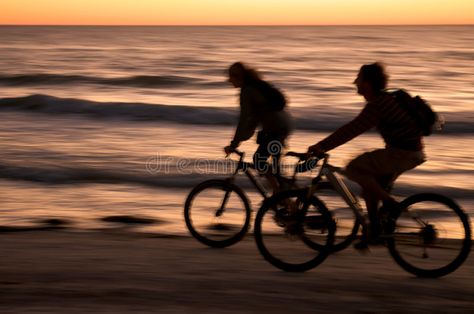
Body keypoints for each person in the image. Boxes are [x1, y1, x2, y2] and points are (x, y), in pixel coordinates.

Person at [307, 62, 425, 248]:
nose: (355, 82)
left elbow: (351, 129)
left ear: (368, 84)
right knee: (369, 189)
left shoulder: (378, 105)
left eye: (359, 79)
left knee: (354, 168)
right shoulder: (384, 100)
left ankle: (390, 203)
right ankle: (374, 232)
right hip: (410, 152)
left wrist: (321, 146)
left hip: (403, 153)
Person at [224, 62, 293, 191]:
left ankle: (281, 197)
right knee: (270, 167)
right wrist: (238, 141)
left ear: (238, 77)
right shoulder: (255, 86)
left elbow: (243, 120)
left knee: (259, 161)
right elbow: (253, 121)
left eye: (231, 77)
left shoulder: (247, 92)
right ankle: (281, 196)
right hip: (283, 125)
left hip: (277, 129)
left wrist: (234, 144)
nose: (229, 81)